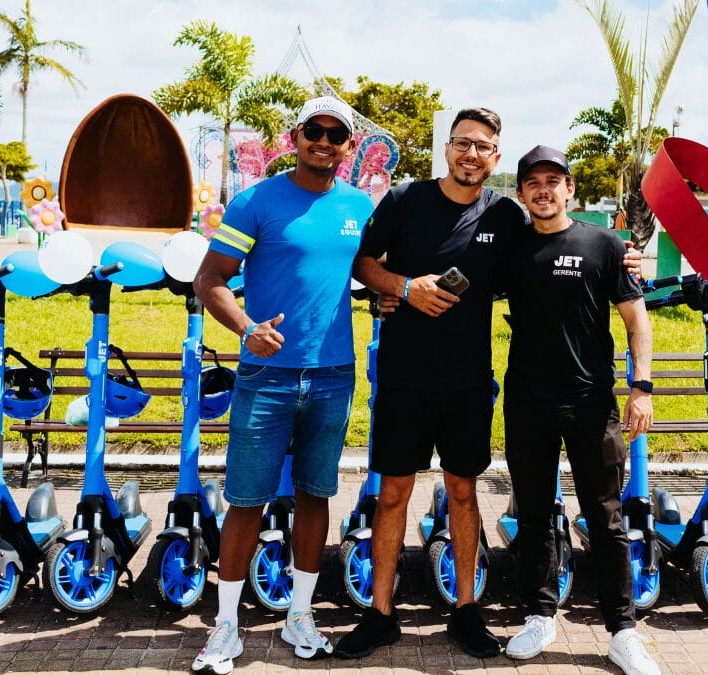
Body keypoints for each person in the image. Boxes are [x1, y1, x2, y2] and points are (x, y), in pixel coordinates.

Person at [338, 109, 641, 660]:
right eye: (462, 143)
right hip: (404, 376)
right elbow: (363, 264)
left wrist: (624, 256)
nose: (471, 154)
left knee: (462, 491)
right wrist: (403, 287)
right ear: (448, 149)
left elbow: (560, 246)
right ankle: (380, 614)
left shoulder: (504, 215)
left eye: (483, 147)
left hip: (468, 381)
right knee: (391, 496)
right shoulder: (406, 199)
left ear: (495, 158)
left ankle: (466, 610)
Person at [191, 96, 372, 673]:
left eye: (335, 134)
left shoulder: (357, 206)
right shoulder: (257, 202)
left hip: (332, 375)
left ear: (349, 147)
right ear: (296, 136)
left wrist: (403, 291)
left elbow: (371, 268)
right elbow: (210, 279)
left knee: (316, 494)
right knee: (246, 499)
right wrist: (246, 329)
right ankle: (225, 626)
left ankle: (300, 614)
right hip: (266, 376)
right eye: (313, 131)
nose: (324, 141)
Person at [499, 146, 660, 675]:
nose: (543, 190)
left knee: (606, 517)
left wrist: (642, 387)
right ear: (521, 194)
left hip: (592, 402)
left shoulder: (605, 244)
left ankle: (622, 630)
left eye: (554, 181)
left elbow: (638, 322)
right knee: (536, 514)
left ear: (570, 189)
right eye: (533, 183)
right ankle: (540, 615)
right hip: (527, 402)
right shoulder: (510, 247)